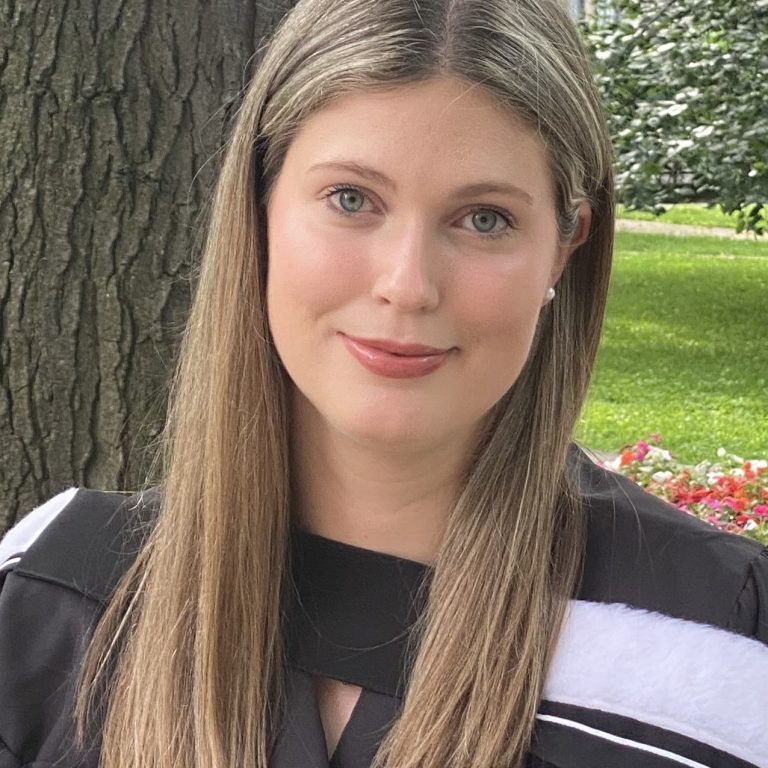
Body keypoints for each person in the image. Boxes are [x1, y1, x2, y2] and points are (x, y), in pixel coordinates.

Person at [1, 0, 766, 766]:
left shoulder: (716, 657)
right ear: (259, 208)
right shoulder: (52, 605)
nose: (407, 285)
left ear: (564, 246)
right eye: (351, 199)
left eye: (485, 219)